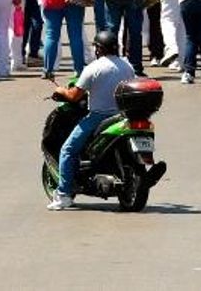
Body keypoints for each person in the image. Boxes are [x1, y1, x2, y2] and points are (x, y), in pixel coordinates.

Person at [47, 29, 136, 210]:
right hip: (123, 116)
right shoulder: (127, 66)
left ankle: (63, 195)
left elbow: (73, 95)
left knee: (68, 150)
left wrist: (60, 90)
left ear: (98, 49)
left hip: (99, 116)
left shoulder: (93, 68)